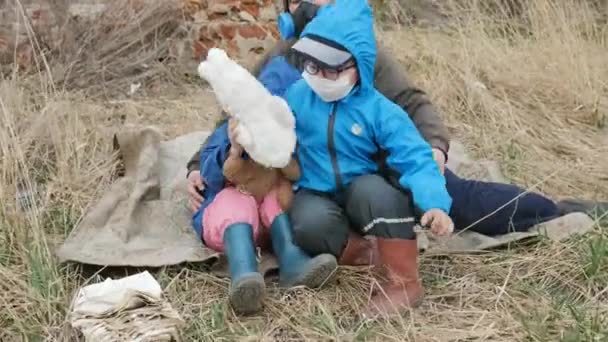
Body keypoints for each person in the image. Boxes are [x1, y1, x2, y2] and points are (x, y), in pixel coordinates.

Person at [188, 0, 608, 269]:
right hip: (309, 184)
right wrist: (196, 167)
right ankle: (357, 251)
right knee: (306, 224)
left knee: (461, 199)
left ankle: (556, 211)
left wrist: (435, 148)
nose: (308, 5)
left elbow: (412, 101)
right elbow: (235, 116)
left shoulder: (360, 51)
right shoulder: (280, 60)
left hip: (373, 170)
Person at [284, 0, 453, 314]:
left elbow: (415, 157)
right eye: (312, 65)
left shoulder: (379, 110)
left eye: (332, 68)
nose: (319, 75)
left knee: (379, 194)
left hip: (361, 187)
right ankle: (365, 254)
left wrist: (434, 203)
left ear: (358, 65)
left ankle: (405, 281)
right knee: (307, 224)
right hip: (315, 189)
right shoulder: (296, 96)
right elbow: (270, 125)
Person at [193, 67, 337, 315]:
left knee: (278, 200)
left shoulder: (294, 130)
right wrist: (234, 149)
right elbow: (210, 173)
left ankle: (293, 262)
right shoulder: (232, 128)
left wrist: (286, 156)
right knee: (235, 203)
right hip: (232, 214)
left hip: (270, 215)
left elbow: (300, 171)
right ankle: (243, 273)